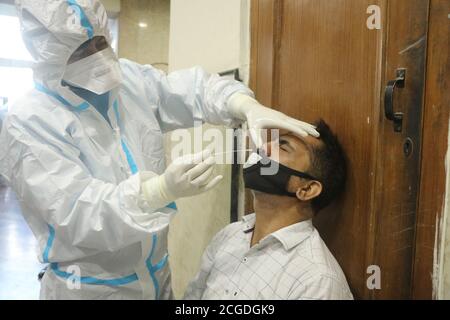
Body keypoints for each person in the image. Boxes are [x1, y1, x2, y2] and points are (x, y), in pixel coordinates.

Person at [0, 0, 318, 300]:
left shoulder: (129, 80)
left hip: (156, 277)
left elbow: (195, 91)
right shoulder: (30, 121)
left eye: (101, 41)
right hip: (89, 287)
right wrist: (159, 190)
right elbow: (77, 215)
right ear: (51, 56)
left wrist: (245, 105)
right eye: (83, 50)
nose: (98, 55)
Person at [184, 120, 353, 300]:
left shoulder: (316, 281)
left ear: (307, 189)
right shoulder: (229, 235)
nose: (264, 147)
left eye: (283, 146)